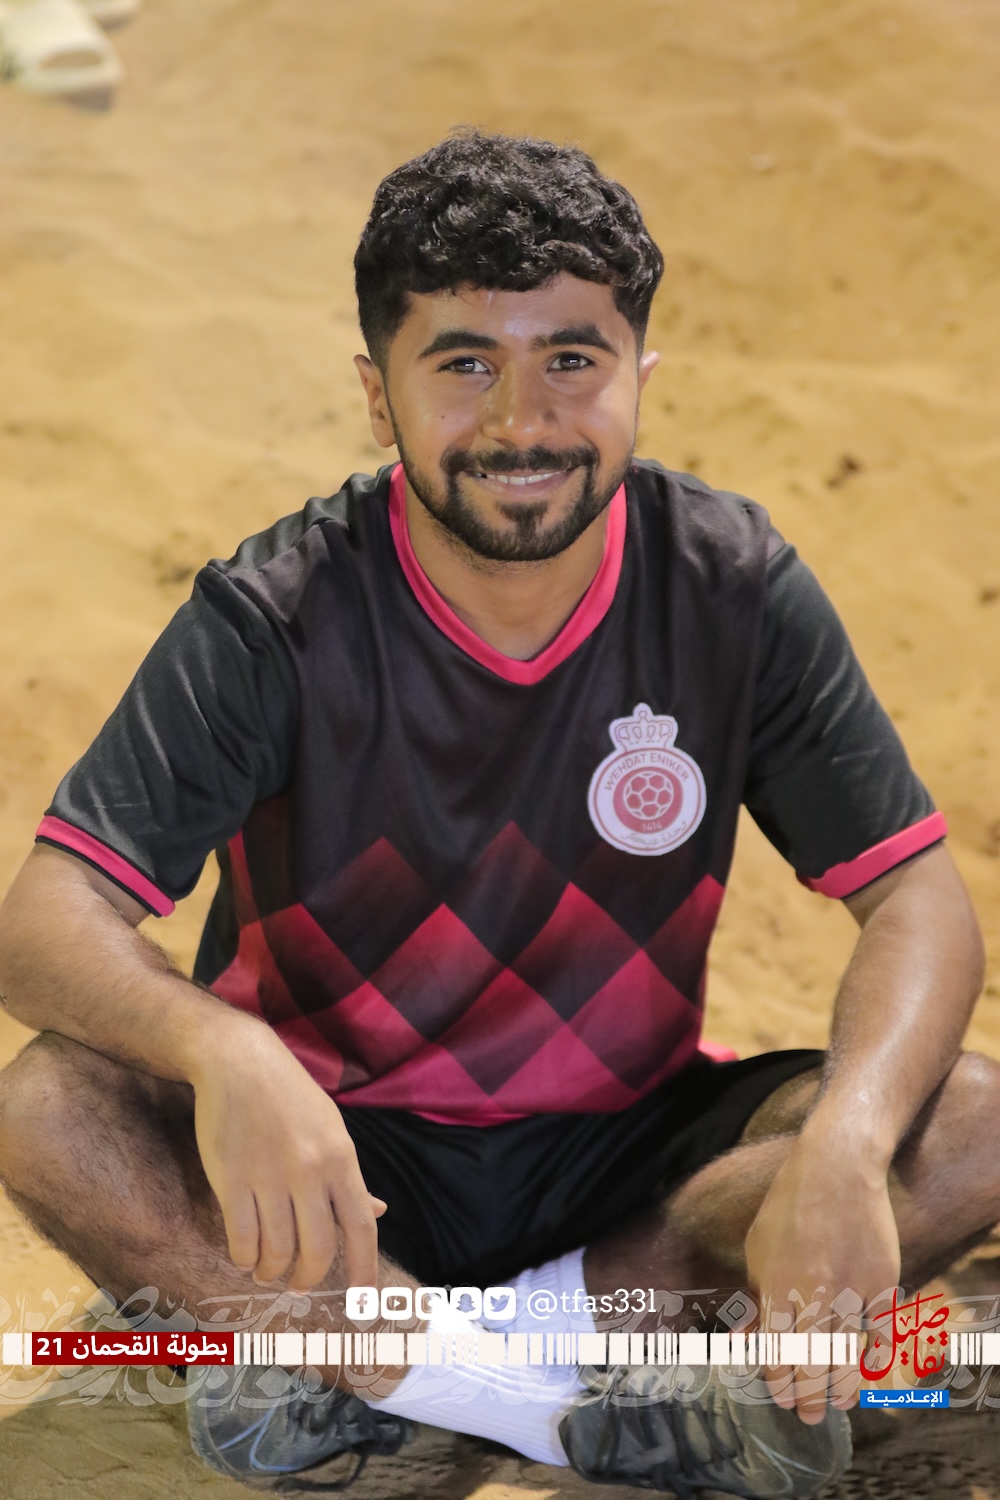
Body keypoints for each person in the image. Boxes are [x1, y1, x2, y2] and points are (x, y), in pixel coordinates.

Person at [0, 130, 995, 1499]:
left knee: (967, 1121)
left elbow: (915, 894)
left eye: (571, 360)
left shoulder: (732, 589)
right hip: (327, 1173)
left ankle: (400, 1375)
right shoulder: (273, 618)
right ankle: (564, 1395)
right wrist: (222, 1051)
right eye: (464, 364)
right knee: (52, 1108)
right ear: (378, 394)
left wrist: (848, 1140)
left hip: (627, 1168)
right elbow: (47, 916)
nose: (523, 423)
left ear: (640, 377)